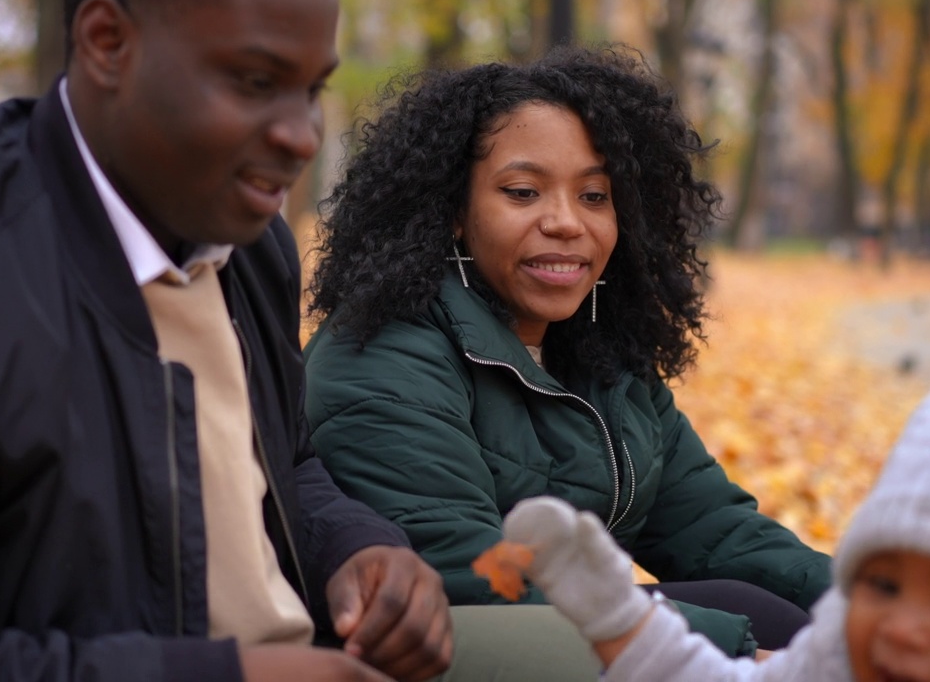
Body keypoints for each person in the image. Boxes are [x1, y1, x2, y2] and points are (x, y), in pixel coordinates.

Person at [0, 0, 471, 680]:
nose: (303, 135)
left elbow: (286, 463)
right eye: (257, 82)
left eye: (313, 89)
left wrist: (358, 551)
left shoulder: (250, 243)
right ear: (107, 41)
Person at [303, 44, 832, 659]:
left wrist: (871, 605)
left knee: (783, 611)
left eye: (594, 196)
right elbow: (472, 579)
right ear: (453, 211)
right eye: (524, 192)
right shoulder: (383, 355)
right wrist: (736, 657)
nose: (566, 223)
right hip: (464, 649)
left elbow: (715, 530)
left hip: (570, 628)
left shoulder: (600, 356)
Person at [503, 326, 930, 682]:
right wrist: (620, 620)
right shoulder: (847, 657)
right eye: (883, 586)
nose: (902, 630)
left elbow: (711, 521)